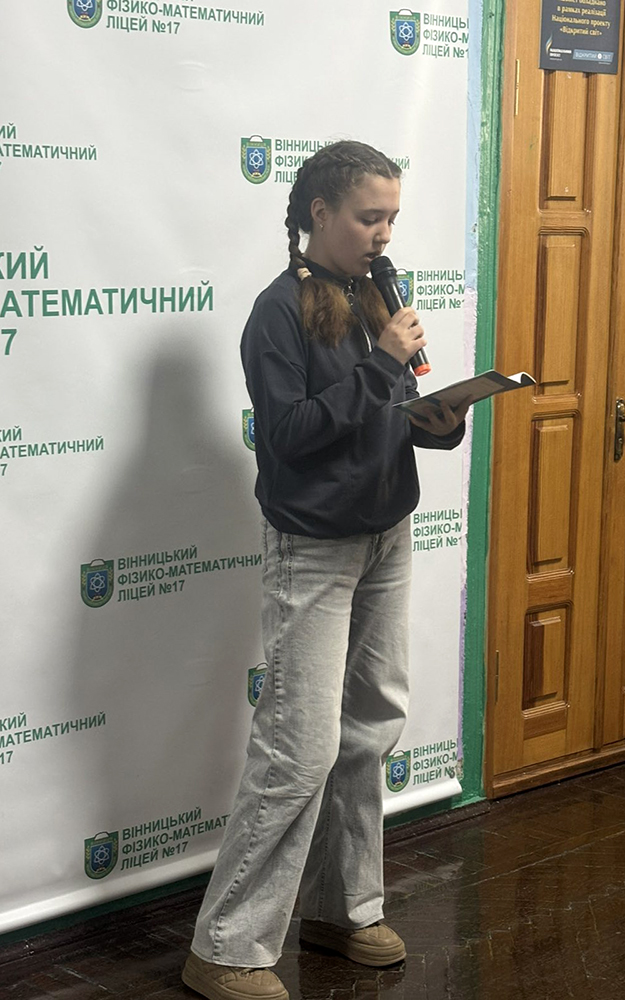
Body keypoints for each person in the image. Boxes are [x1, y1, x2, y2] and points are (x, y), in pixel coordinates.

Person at [182, 140, 468, 1000]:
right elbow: (292, 435)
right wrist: (381, 364)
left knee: (370, 728)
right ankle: (225, 947)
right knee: (297, 750)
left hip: (387, 533)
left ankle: (342, 911)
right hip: (313, 546)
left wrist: (437, 417)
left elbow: (387, 409)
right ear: (319, 213)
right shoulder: (275, 313)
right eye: (368, 217)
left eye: (391, 218)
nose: (383, 234)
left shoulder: (378, 292)